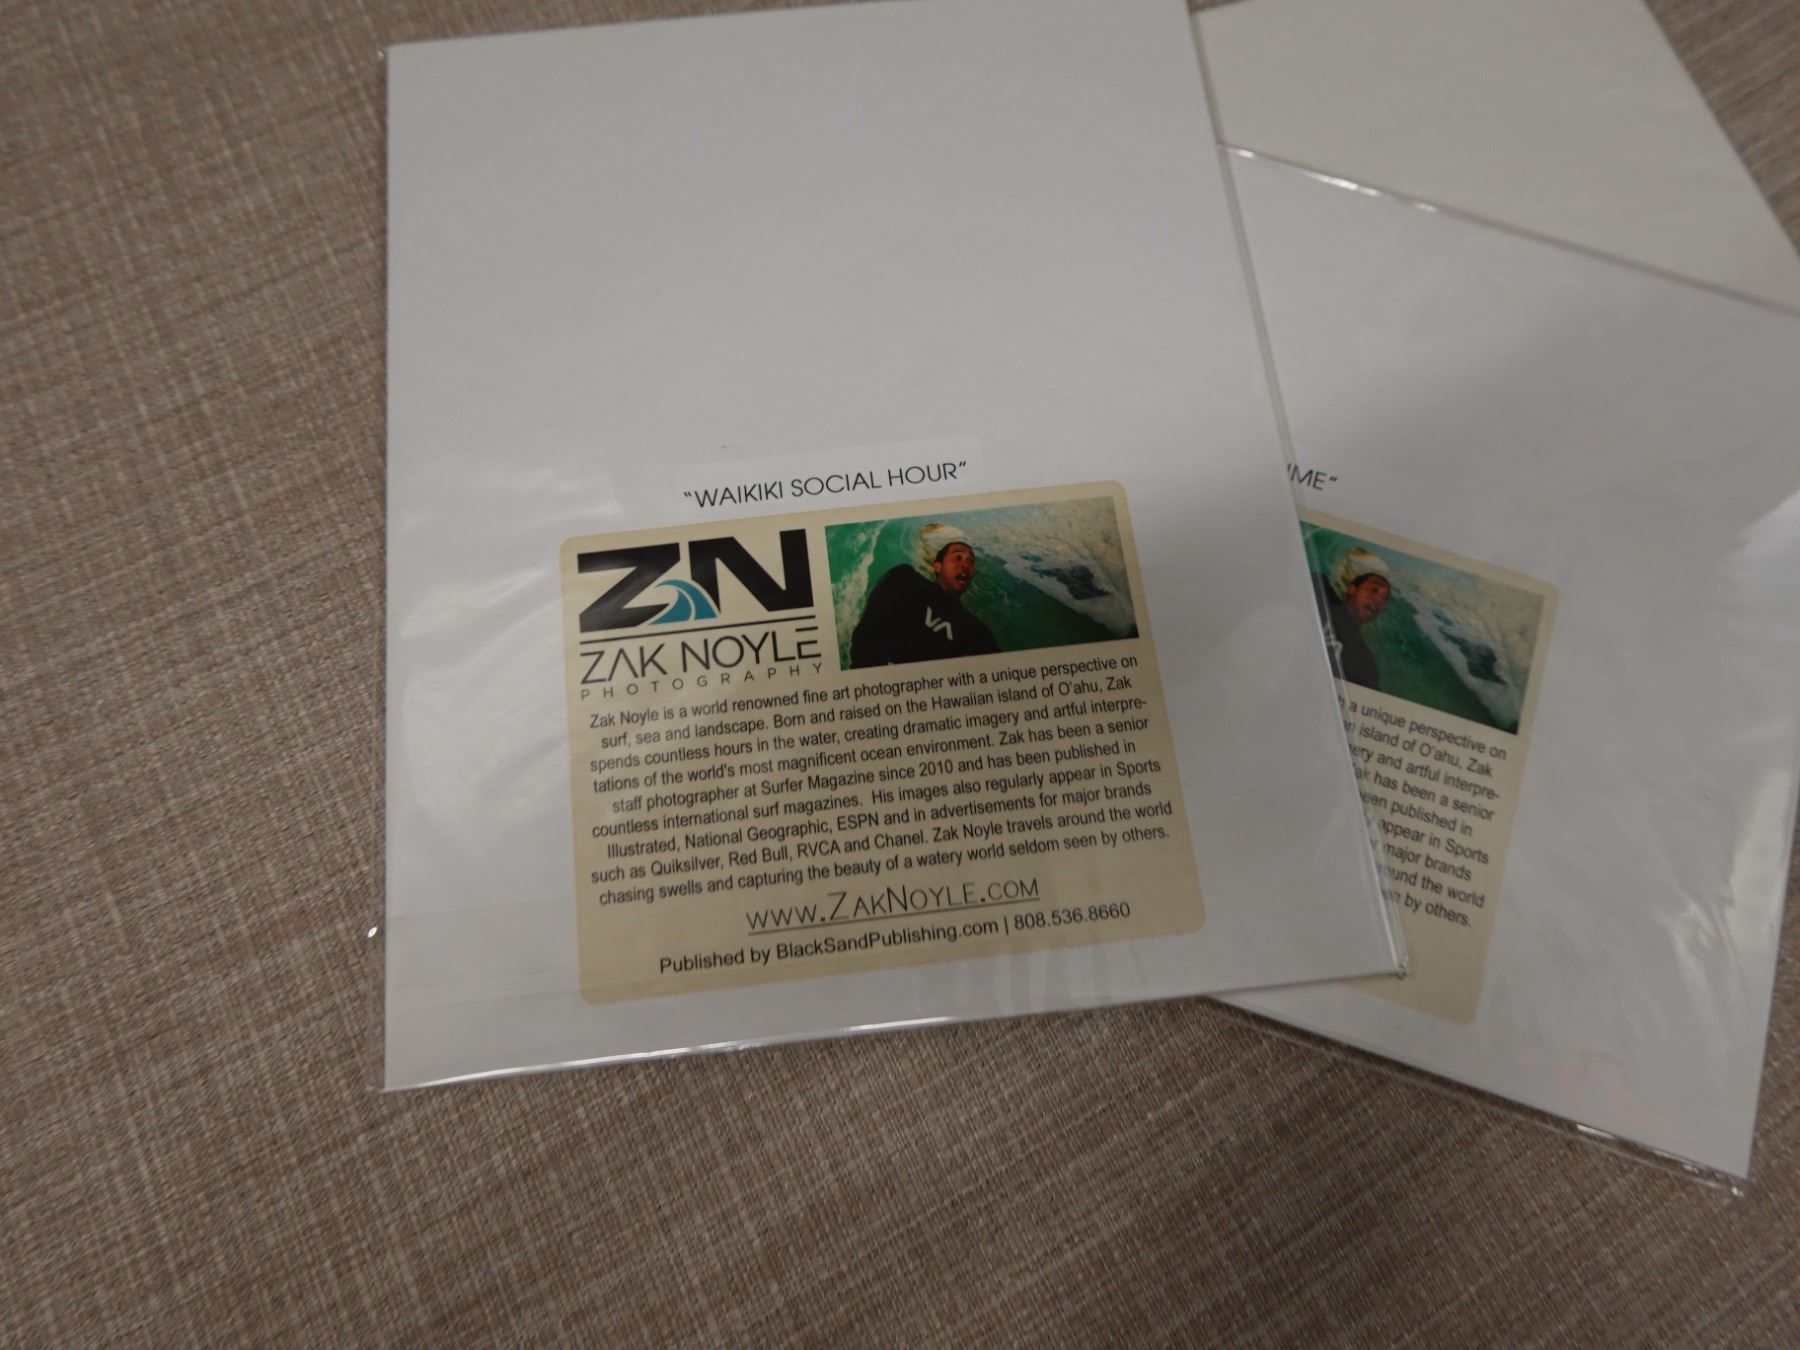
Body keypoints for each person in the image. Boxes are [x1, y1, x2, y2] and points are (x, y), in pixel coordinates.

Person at [849, 523, 1000, 667]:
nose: (966, 565)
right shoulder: (906, 580)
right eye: (958, 557)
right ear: (937, 566)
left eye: (971, 562)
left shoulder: (975, 630)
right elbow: (869, 631)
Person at [1312, 546, 1392, 691]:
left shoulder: (1365, 666)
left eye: (1385, 599)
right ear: (1352, 588)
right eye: (1374, 589)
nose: (1378, 600)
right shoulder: (1317, 589)